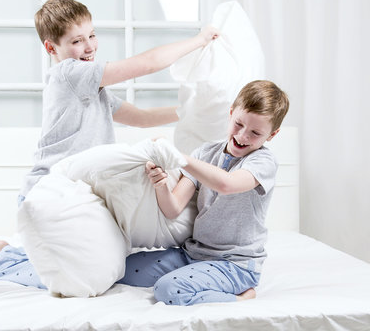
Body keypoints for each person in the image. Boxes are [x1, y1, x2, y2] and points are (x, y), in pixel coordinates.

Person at [0, 0, 219, 287]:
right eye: (76, 41)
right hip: (49, 191)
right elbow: (149, 63)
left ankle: (11, 250)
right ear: (52, 47)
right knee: (75, 274)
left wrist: (193, 112)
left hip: (77, 192)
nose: (89, 47)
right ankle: (3, 258)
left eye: (92, 35)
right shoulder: (68, 74)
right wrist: (199, 40)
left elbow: (139, 118)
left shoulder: (91, 88)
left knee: (92, 261)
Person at [117, 80, 290, 305]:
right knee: (121, 268)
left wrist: (180, 158)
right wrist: (160, 184)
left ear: (271, 135)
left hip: (234, 264)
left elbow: (226, 184)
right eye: (239, 124)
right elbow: (173, 208)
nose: (243, 136)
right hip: (193, 255)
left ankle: (241, 297)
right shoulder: (205, 153)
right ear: (230, 114)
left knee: (168, 289)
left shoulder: (263, 162)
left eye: (255, 132)